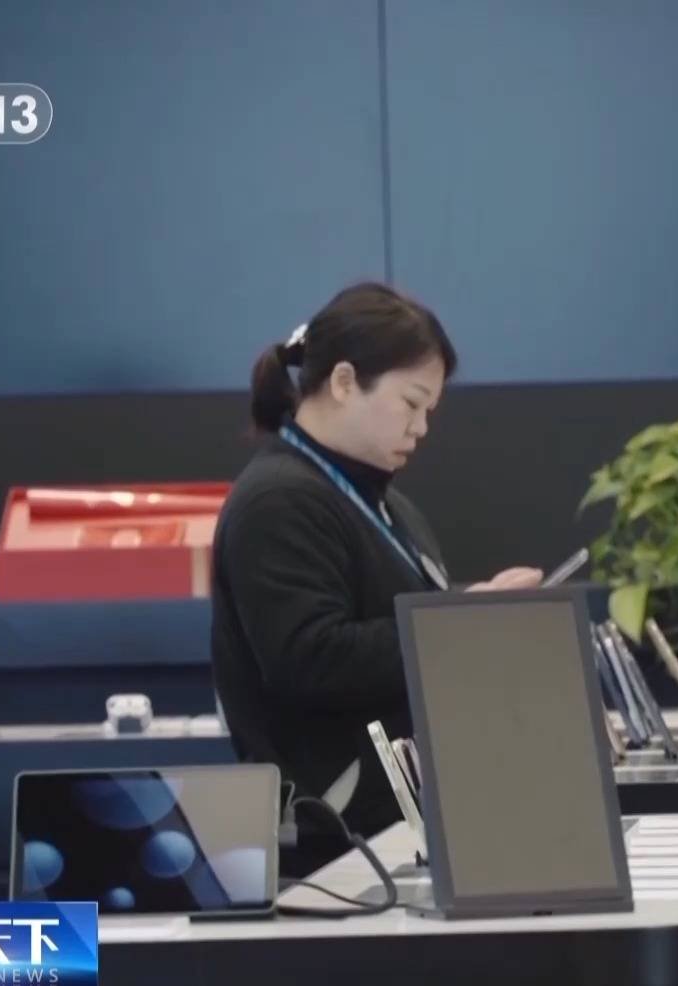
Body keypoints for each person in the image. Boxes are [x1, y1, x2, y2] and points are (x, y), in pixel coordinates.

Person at [209, 281, 542, 878]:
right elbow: (309, 658)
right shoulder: (278, 502)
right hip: (329, 855)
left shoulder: (384, 504)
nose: (421, 427)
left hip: (399, 834)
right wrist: (457, 624)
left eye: (429, 411)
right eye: (411, 403)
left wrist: (473, 613)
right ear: (343, 382)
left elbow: (395, 625)